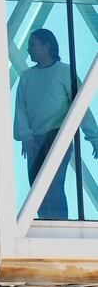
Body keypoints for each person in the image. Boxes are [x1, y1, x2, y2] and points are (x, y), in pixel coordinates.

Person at [14, 28, 98, 219]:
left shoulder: (65, 72)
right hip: (34, 139)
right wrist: (25, 135)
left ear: (47, 46)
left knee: (53, 185)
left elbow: (80, 107)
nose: (29, 50)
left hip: (57, 135)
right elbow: (21, 108)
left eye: (32, 45)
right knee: (36, 187)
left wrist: (94, 138)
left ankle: (59, 224)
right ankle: (46, 223)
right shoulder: (26, 77)